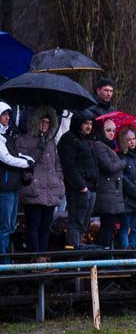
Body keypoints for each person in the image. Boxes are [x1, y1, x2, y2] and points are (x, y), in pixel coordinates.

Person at [16, 108, 64, 256]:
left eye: (48, 122)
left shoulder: (51, 142)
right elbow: (24, 163)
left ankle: (42, 257)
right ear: (35, 122)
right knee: (33, 226)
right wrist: (38, 148)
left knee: (45, 227)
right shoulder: (23, 140)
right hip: (33, 189)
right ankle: (35, 257)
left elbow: (57, 164)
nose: (45, 125)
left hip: (51, 189)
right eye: (42, 121)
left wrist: (59, 182)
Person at [58, 110, 99, 248]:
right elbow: (69, 166)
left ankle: (79, 250)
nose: (89, 127)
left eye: (90, 124)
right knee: (76, 222)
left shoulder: (88, 140)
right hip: (78, 189)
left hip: (91, 187)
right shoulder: (69, 139)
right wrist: (81, 186)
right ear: (78, 123)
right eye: (86, 123)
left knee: (84, 223)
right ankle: (74, 253)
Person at [0, 101, 35, 258]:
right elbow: (6, 158)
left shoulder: (7, 136)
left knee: (10, 226)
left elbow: (14, 154)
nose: (8, 117)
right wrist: (26, 163)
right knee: (4, 226)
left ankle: (8, 256)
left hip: (13, 186)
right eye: (4, 114)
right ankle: (3, 259)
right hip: (4, 187)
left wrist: (27, 158)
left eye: (8, 114)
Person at [92, 119, 126, 248]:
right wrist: (123, 162)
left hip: (112, 192)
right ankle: (102, 253)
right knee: (107, 226)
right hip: (106, 192)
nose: (112, 133)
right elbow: (109, 167)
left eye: (113, 130)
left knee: (109, 226)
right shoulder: (99, 146)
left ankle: (105, 252)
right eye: (108, 130)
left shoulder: (111, 147)